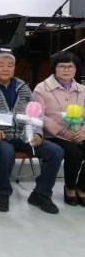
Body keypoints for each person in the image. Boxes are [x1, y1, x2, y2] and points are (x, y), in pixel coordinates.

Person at [0, 52, 63, 213]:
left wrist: (37, 133)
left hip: (24, 135)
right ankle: (2, 194)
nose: (6, 69)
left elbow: (35, 113)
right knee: (6, 150)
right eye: (1, 65)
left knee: (55, 151)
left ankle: (41, 194)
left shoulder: (23, 88)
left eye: (10, 66)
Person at [33, 51, 85, 207]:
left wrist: (83, 132)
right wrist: (62, 132)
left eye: (70, 66)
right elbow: (38, 114)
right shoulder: (42, 88)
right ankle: (70, 188)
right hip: (53, 135)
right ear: (54, 68)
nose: (66, 70)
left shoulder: (82, 89)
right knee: (75, 153)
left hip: (78, 133)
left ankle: (82, 187)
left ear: (76, 69)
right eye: (62, 66)